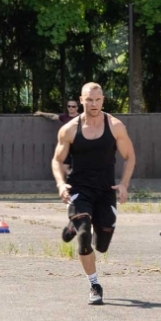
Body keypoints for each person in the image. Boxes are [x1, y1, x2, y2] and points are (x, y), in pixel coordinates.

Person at [52, 83, 136, 306]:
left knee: (102, 245)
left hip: (106, 191)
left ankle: (73, 225)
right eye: (89, 100)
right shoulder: (69, 129)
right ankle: (95, 285)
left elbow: (130, 157)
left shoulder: (115, 126)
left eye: (97, 100)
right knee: (84, 235)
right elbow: (57, 160)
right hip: (79, 190)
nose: (93, 104)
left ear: (103, 100)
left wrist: (124, 184)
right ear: (81, 100)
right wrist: (61, 184)